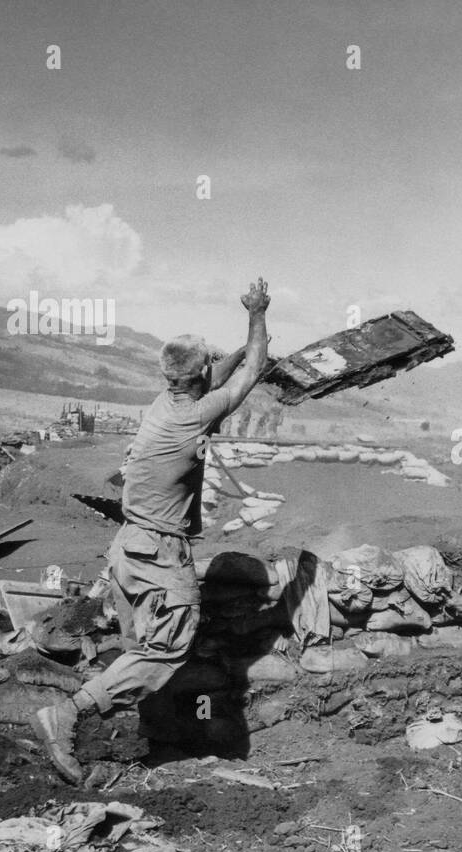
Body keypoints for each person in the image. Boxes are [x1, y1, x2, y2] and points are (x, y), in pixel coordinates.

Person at [31, 278, 272, 783]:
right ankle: (69, 713)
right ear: (201, 375)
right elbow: (250, 369)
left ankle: (134, 739)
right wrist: (256, 315)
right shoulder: (193, 418)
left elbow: (220, 373)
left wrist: (229, 353)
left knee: (138, 644)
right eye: (209, 364)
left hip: (127, 548)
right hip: (159, 552)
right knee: (166, 649)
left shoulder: (166, 403)